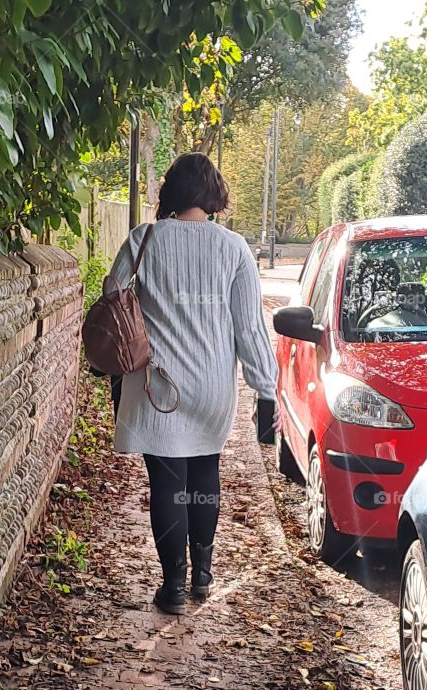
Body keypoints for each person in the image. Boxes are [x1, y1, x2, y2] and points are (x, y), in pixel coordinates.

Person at [109, 152, 279, 615]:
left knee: (167, 484)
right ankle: (203, 574)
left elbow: (112, 295)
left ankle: (174, 587)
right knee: (205, 475)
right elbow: (249, 329)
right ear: (213, 196)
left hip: (156, 386)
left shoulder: (144, 239)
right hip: (212, 386)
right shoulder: (234, 248)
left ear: (172, 193)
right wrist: (267, 389)